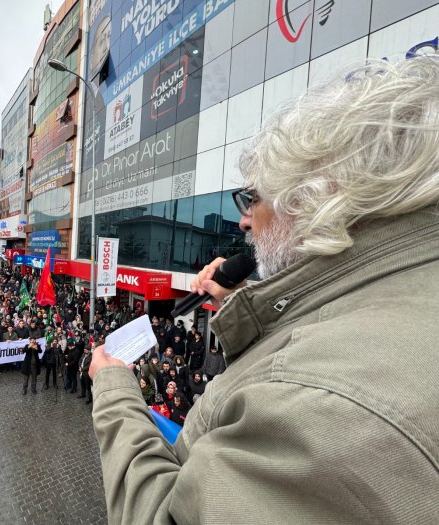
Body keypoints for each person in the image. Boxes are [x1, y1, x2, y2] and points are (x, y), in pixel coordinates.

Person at [88, 58, 439, 523]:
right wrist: (245, 307)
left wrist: (113, 389)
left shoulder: (312, 394)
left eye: (252, 198)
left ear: (316, 195)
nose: (242, 220)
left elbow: (163, 515)